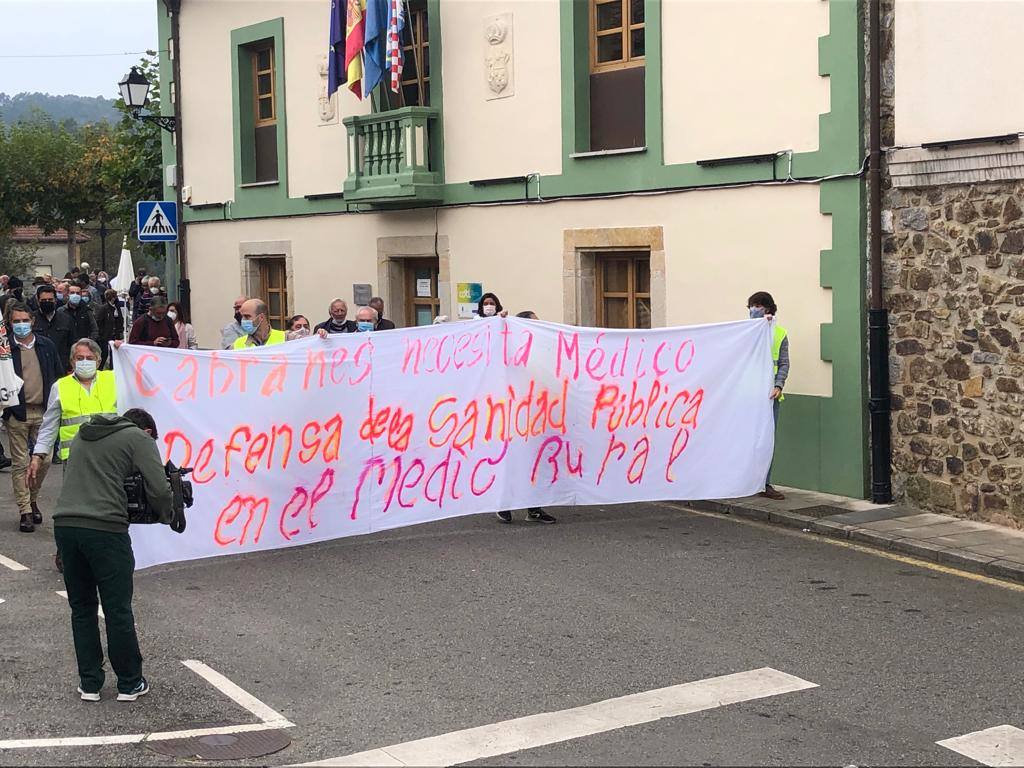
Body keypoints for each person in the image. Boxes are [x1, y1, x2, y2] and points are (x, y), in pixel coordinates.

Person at [52, 406, 172, 702]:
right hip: (105, 529)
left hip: (66, 525)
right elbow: (158, 488)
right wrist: (168, 514)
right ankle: (130, 682)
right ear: (147, 432)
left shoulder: (83, 434)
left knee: (82, 608)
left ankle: (90, 683)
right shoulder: (138, 439)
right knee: (117, 608)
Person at [4, 304, 62, 531]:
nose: (20, 325)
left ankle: (33, 497)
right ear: (10, 323)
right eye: (16, 321)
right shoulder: (5, 349)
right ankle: (25, 510)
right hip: (17, 412)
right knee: (21, 463)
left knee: (44, 460)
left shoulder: (46, 345)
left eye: (24, 320)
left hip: (44, 411)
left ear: (32, 321)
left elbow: (56, 375)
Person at [495, 308, 556, 525]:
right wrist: (500, 322)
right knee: (513, 461)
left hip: (535, 415)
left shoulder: (542, 351)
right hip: (513, 415)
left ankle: (534, 509)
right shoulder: (509, 349)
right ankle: (504, 505)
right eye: (535, 324)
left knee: (535, 463)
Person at [747, 291, 789, 501]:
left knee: (766, 441)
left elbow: (783, 363)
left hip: (770, 396)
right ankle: (742, 481)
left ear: (768, 308)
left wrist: (779, 385)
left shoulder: (779, 333)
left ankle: (765, 483)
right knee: (745, 439)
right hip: (747, 395)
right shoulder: (745, 331)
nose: (753, 310)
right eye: (751, 306)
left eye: (757, 306)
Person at [33, 284, 75, 372]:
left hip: (62, 367)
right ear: (38, 301)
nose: (47, 302)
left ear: (55, 300)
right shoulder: (32, 319)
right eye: (44, 300)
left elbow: (72, 343)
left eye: (50, 300)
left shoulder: (66, 319)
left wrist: (71, 365)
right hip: (38, 367)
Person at [58, 283, 99, 348]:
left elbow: (94, 329)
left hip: (84, 347)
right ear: (68, 294)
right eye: (72, 293)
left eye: (77, 293)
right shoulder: (61, 311)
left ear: (80, 295)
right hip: (67, 348)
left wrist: (90, 342)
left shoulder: (87, 310)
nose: (75, 295)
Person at [95, 289, 125, 368]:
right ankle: (100, 368)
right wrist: (101, 334)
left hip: (115, 335)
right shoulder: (103, 308)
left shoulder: (117, 308)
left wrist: (120, 331)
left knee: (114, 354)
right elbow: (99, 322)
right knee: (104, 354)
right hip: (105, 336)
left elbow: (120, 320)